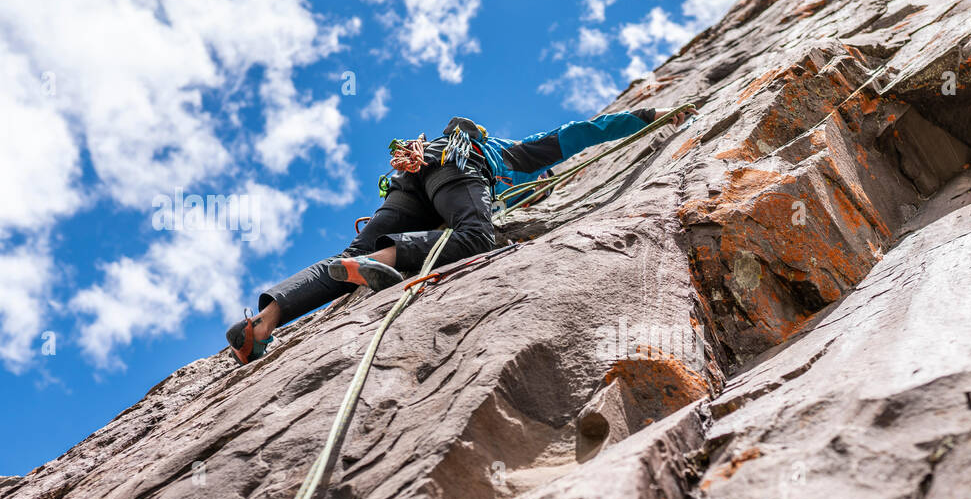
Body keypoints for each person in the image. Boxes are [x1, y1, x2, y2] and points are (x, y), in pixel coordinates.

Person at [226, 105, 694, 364]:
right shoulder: (503, 152)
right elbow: (578, 133)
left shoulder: (431, 148)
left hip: (412, 181)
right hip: (455, 172)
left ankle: (262, 323)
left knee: (348, 256)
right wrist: (648, 117)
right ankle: (383, 263)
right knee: (476, 238)